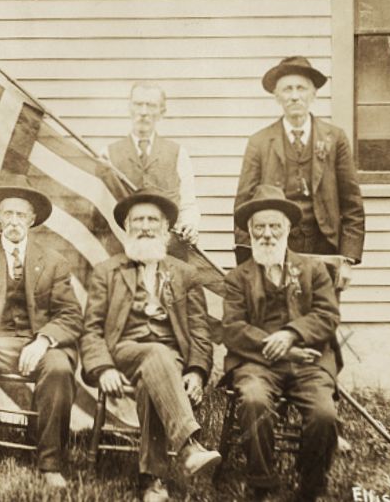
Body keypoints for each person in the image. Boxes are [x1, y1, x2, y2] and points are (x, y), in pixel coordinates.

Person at [80, 190, 220, 502]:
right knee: (157, 355)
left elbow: (199, 331)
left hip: (170, 362)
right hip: (123, 352)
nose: (145, 226)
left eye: (152, 220)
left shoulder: (185, 274)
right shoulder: (107, 271)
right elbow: (90, 330)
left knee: (152, 379)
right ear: (126, 227)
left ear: (166, 227)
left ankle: (154, 482)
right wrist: (102, 368)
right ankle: (189, 447)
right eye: (138, 220)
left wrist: (196, 372)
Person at [0, 184, 83, 489]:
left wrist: (44, 339)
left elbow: (71, 315)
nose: (14, 220)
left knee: (59, 368)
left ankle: (49, 462)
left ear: (32, 220)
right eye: (8, 213)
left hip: (39, 344)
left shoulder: (55, 262)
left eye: (21, 214)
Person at [223, 184, 341, 501]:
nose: (267, 234)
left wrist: (291, 333)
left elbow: (328, 316)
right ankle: (261, 482)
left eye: (275, 226)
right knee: (253, 400)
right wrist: (273, 345)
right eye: (259, 227)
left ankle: (311, 484)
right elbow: (232, 328)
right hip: (257, 364)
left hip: (309, 361)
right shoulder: (237, 278)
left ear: (288, 229)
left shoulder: (314, 270)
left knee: (324, 414)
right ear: (249, 232)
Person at [234, 56, 365, 292]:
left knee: (323, 318)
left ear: (313, 94)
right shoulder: (260, 142)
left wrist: (348, 258)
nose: (295, 96)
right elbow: (244, 206)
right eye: (287, 89)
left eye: (301, 88)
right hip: (275, 246)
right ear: (277, 97)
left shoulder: (335, 139)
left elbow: (352, 204)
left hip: (325, 245)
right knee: (279, 317)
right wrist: (247, 261)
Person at [101, 82, 201, 251]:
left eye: (151, 105)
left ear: (162, 112)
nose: (144, 112)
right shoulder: (108, 154)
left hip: (168, 251)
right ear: (129, 108)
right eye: (138, 104)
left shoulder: (178, 153)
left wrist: (190, 225)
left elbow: (188, 204)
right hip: (123, 249)